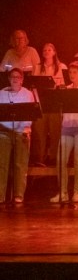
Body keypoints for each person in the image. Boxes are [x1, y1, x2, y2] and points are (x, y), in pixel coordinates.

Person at [50, 63, 78, 203]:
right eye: (70, 72)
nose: (72, 75)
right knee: (61, 160)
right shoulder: (66, 89)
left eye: (75, 72)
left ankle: (77, 192)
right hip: (67, 127)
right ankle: (62, 192)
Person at [0, 68, 35, 204]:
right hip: (4, 131)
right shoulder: (2, 93)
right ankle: (0, 195)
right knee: (2, 164)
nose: (15, 79)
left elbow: (30, 115)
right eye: (12, 77)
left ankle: (18, 195)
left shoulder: (28, 94)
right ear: (9, 79)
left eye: (18, 77)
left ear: (22, 80)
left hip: (22, 131)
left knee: (20, 165)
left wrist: (26, 129)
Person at [31, 43, 67, 166]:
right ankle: (40, 159)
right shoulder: (37, 67)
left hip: (55, 103)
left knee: (55, 132)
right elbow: (33, 85)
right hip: (41, 103)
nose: (47, 52)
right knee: (39, 133)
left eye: (49, 49)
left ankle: (53, 158)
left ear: (54, 52)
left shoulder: (61, 67)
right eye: (44, 50)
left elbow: (65, 85)